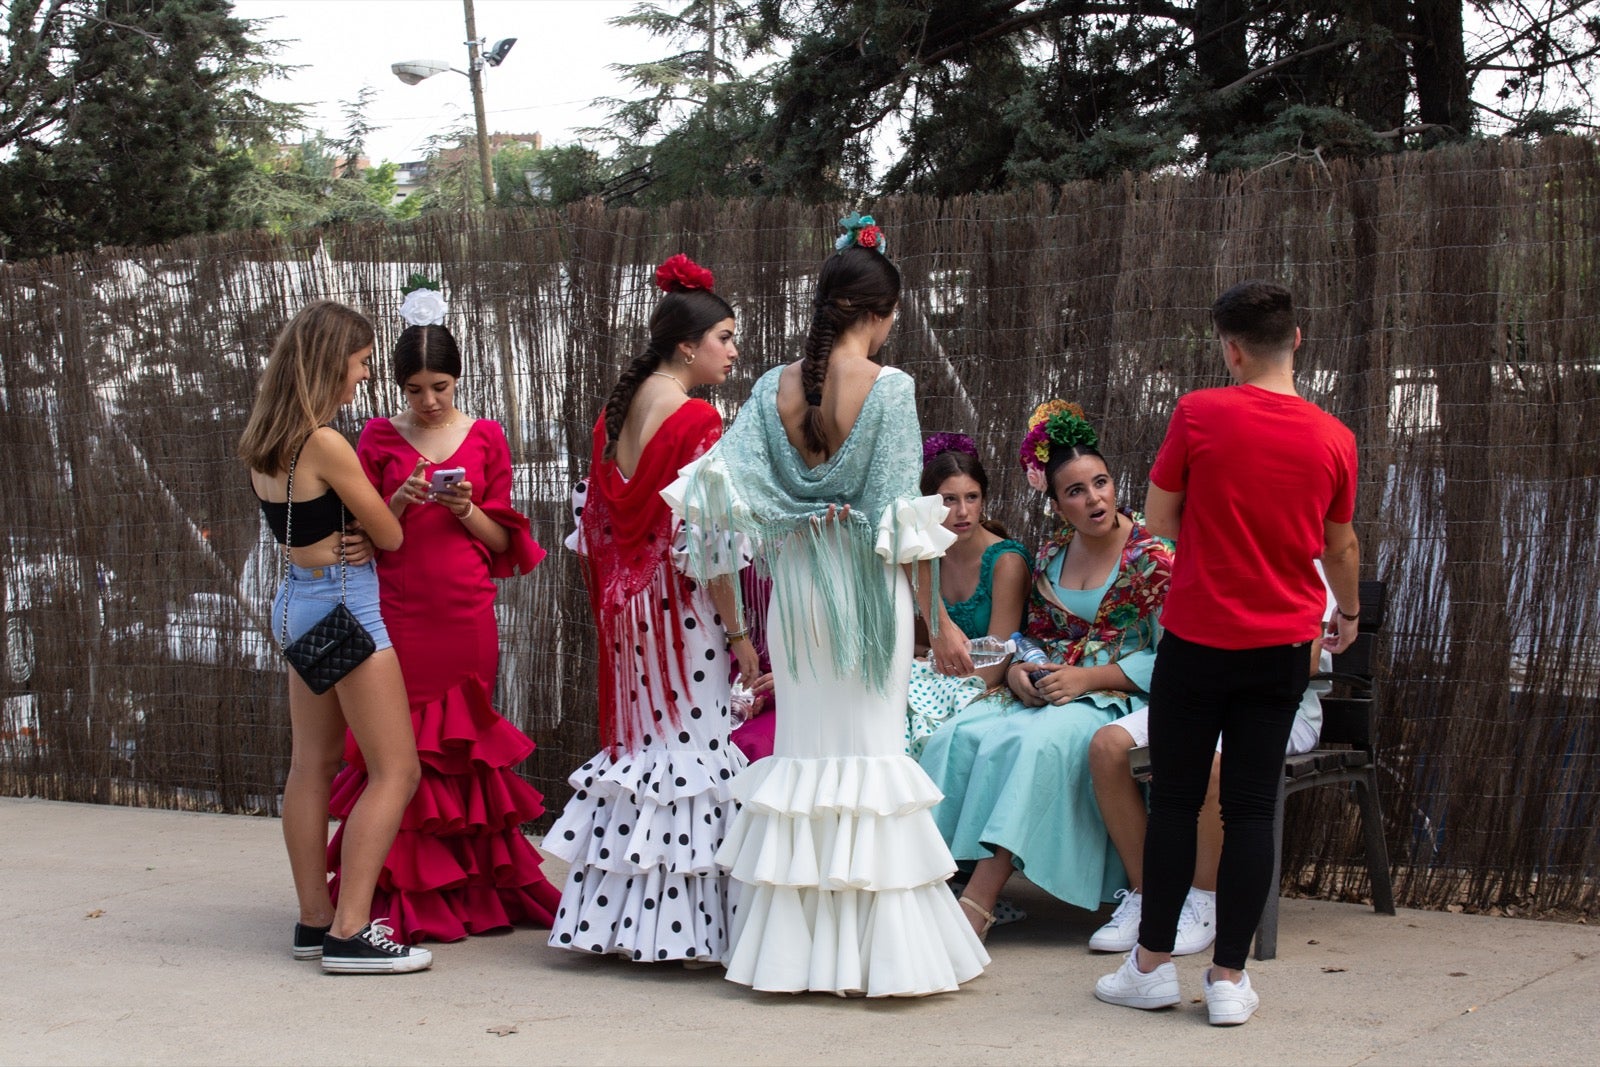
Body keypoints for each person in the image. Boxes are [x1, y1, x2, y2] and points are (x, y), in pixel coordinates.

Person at [665, 215, 989, 997]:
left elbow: (711, 486)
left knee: (808, 760)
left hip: (799, 595)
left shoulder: (775, 386)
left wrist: (785, 520)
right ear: (878, 314)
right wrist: (937, 620)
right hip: (864, 598)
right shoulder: (890, 388)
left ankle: (796, 955)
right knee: (871, 761)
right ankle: (877, 955)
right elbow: (899, 523)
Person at [1094, 280, 1361, 1027]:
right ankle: (1227, 980)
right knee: (1249, 810)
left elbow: (1158, 517)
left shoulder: (1200, 412)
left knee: (1176, 802)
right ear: (1297, 339)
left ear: (1231, 348)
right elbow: (1339, 545)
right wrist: (1350, 612)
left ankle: (1148, 967)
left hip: (1198, 639)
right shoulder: (1335, 438)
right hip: (1281, 647)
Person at [324, 284, 561, 944]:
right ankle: (401, 892)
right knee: (399, 754)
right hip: (397, 612)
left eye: (441, 387)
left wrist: (465, 509)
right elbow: (361, 535)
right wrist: (397, 499)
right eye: (416, 389)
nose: (429, 402)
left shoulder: (485, 436)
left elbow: (502, 541)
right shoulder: (374, 436)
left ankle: (475, 889)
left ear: (458, 381)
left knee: (464, 749)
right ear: (399, 387)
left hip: (466, 613)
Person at [544, 254, 760, 965]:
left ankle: (615, 922)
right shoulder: (697, 416)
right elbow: (711, 541)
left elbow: (594, 528)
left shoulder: (620, 415)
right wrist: (738, 633)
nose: (733, 351)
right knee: (695, 758)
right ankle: (688, 931)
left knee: (644, 756)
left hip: (626, 611)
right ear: (687, 345)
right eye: (725, 337)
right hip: (680, 613)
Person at [917, 401, 1173, 943]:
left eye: (1100, 482)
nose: (1095, 498)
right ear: (1056, 503)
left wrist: (1091, 679)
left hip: (1124, 695)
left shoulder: (1154, 556)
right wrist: (1017, 673)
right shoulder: (1054, 552)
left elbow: (1177, 652)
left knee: (1043, 744)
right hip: (1050, 686)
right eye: (1076, 491)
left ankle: (978, 903)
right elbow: (1032, 635)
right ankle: (925, 888)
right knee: (957, 736)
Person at [238, 300, 431, 974]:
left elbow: (312, 526)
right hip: (347, 606)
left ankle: (313, 922)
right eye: (361, 363)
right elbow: (390, 534)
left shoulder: (265, 438)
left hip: (295, 600)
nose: (365, 376)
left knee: (309, 765)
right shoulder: (325, 441)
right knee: (395, 769)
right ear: (331, 363)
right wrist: (387, 512)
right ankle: (351, 931)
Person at [1085, 637, 1332, 956]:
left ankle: (1204, 901)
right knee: (1110, 746)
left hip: (1273, 706)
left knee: (1214, 765)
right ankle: (1150, 898)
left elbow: (1307, 662)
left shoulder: (1311, 588)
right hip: (1199, 701)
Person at [904, 433, 1030, 757]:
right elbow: (915, 643)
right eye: (949, 499)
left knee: (941, 738)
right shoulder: (921, 560)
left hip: (986, 691)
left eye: (972, 497)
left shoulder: (1006, 562)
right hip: (928, 682)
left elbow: (999, 657)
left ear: (983, 500)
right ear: (929, 503)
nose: (963, 511)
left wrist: (940, 687)